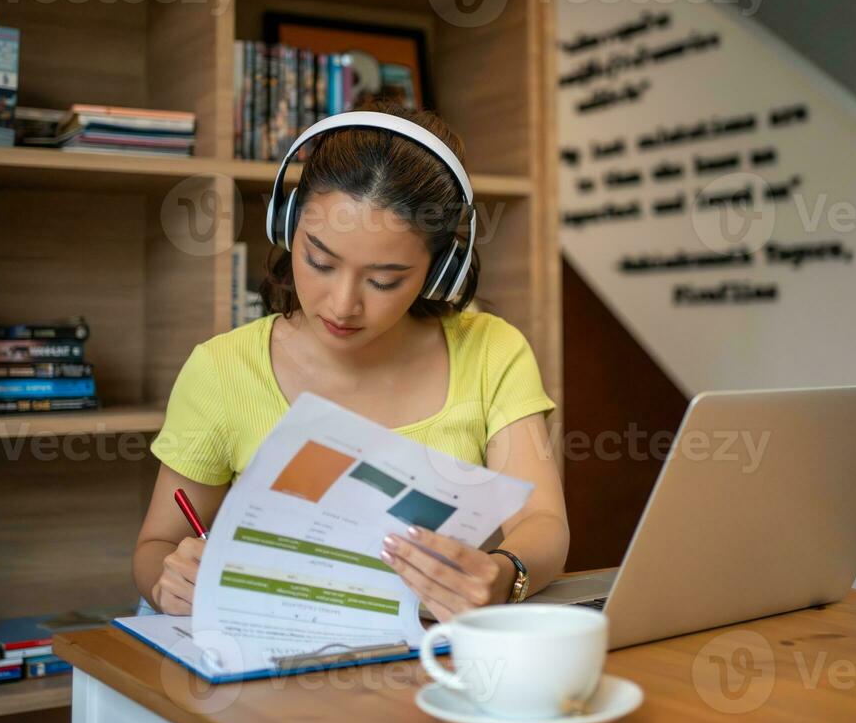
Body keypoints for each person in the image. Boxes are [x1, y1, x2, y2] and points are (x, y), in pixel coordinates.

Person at [132, 103, 567, 622]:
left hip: (436, 668)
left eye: (384, 280)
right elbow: (157, 544)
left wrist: (500, 575)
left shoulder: (492, 353)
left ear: (440, 270)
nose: (342, 304)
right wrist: (170, 582)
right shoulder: (222, 370)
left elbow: (542, 522)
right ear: (286, 224)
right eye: (319, 260)